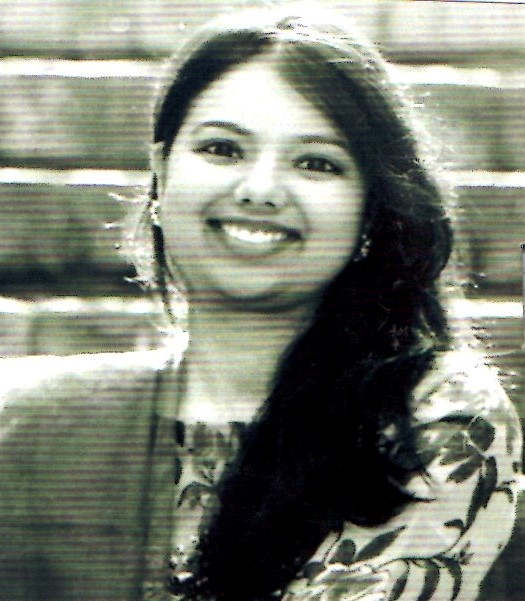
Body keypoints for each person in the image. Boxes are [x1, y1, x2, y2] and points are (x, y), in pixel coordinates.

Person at [0, 7, 522, 601]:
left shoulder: (434, 416)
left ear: (371, 211)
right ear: (160, 175)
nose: (259, 190)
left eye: (316, 163)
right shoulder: (40, 421)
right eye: (222, 149)